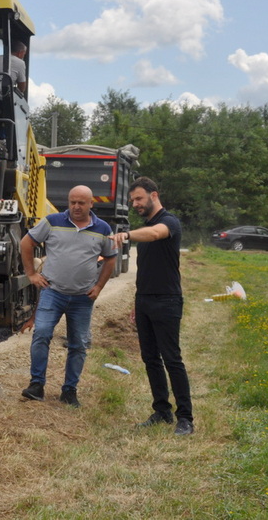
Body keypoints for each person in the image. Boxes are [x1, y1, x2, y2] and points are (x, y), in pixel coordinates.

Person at [20, 185, 117, 407]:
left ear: (91, 204)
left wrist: (99, 287)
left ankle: (69, 390)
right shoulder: (52, 221)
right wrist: (32, 274)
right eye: (72, 201)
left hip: (83, 298)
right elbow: (26, 242)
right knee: (42, 334)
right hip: (52, 292)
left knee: (78, 344)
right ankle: (36, 385)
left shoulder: (102, 228)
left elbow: (110, 258)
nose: (76, 206)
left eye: (81, 203)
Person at [112, 177, 193, 436]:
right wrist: (138, 302)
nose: (135, 204)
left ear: (154, 195)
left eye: (139, 198)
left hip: (167, 301)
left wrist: (126, 234)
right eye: (132, 200)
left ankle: (185, 418)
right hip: (145, 300)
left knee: (172, 359)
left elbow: (156, 234)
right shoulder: (145, 226)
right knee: (150, 359)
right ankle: (162, 411)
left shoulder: (168, 222)